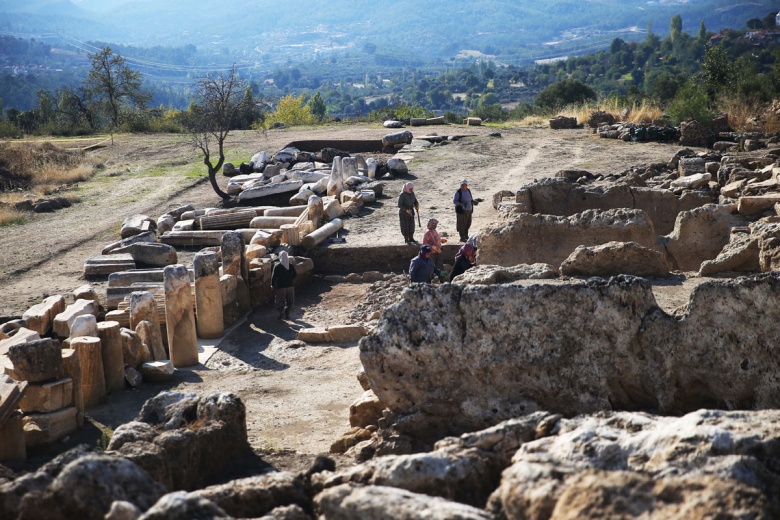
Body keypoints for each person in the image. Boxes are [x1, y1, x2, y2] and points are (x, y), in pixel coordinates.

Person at [271, 251, 297, 320]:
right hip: (290, 286)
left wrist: (272, 285)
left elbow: (273, 277)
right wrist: (290, 280)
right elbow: (295, 274)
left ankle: (281, 313)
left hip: (280, 287)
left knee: (279, 301)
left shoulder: (277, 266)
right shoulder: (290, 265)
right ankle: (287, 314)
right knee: (290, 301)